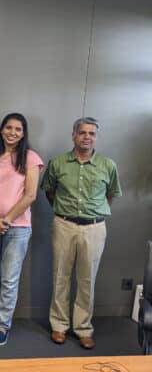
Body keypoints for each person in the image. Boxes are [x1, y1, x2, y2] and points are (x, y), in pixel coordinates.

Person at [41, 117, 122, 349]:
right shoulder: (57, 163)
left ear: (96, 137)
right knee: (60, 277)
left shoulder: (108, 165)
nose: (87, 137)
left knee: (88, 280)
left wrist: (92, 213)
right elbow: (49, 191)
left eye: (92, 133)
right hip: (64, 224)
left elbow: (110, 195)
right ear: (74, 135)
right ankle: (59, 326)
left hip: (94, 228)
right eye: (82, 132)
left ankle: (83, 328)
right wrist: (65, 212)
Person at [0, 113, 43, 346]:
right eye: (9, 127)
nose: (12, 132)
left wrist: (6, 220)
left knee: (9, 279)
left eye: (18, 129)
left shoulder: (31, 158)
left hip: (18, 228)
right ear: (2, 130)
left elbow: (30, 195)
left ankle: (3, 324)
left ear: (23, 134)